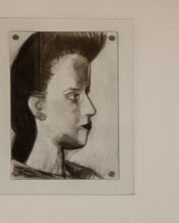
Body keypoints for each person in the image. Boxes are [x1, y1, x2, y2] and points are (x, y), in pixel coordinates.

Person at [7, 31, 115, 180]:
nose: (91, 110)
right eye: (73, 96)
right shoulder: (13, 179)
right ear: (38, 106)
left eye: (86, 93)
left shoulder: (89, 178)